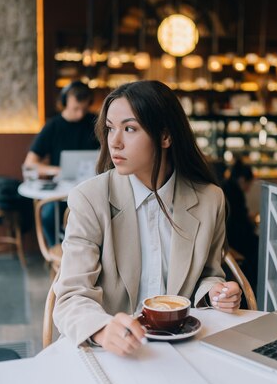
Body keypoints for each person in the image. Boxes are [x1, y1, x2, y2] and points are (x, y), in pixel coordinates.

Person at [53, 80, 242, 356]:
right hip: (113, 350)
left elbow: (209, 274)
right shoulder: (90, 199)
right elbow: (71, 295)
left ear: (165, 136)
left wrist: (216, 293)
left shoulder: (209, 199)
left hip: (182, 346)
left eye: (129, 129)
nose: (114, 142)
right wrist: (103, 329)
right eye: (110, 128)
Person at [24, 81, 99, 245]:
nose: (80, 114)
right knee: (48, 216)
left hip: (91, 190)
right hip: (62, 192)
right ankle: (57, 256)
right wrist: (58, 170)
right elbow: (30, 163)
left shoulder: (95, 122)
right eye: (75, 109)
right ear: (65, 102)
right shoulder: (53, 126)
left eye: (84, 109)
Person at [221, 158, 259, 286]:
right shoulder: (235, 193)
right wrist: (253, 222)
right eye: (249, 184)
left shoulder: (226, 187)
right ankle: (254, 286)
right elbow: (241, 226)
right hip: (232, 240)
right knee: (259, 248)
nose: (249, 188)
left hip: (227, 236)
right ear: (242, 180)